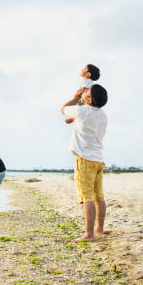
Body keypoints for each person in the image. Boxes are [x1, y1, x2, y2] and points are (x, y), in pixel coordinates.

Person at [61, 85, 108, 242]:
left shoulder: (82, 110)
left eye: (87, 91)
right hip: (98, 159)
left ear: (89, 99)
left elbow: (64, 109)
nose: (84, 90)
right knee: (99, 196)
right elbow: (85, 122)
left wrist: (76, 97)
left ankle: (89, 234)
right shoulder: (102, 115)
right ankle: (99, 228)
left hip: (85, 160)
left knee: (86, 197)